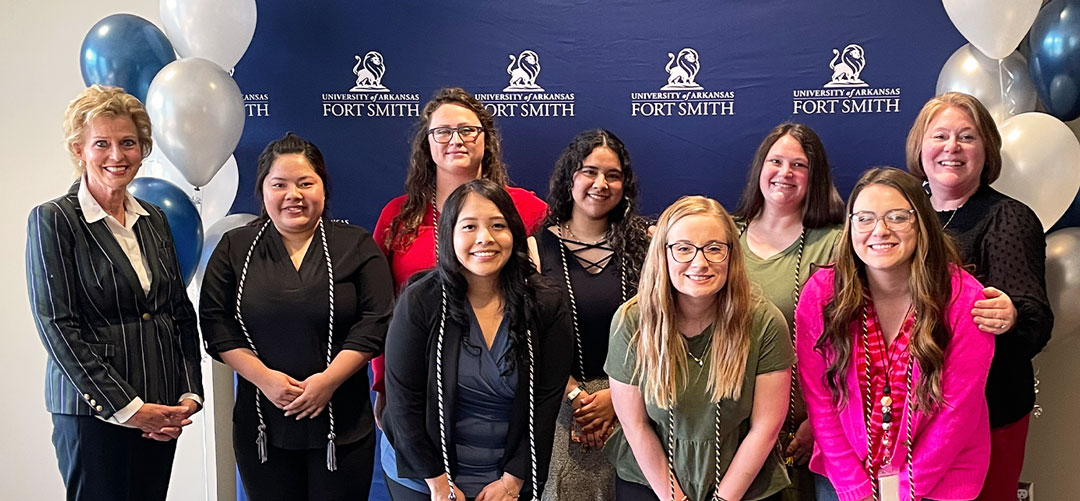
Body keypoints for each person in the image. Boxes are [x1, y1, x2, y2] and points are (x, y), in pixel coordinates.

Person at [26, 84, 203, 500]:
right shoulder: (54, 219)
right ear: (79, 150)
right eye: (101, 143)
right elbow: (57, 326)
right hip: (93, 413)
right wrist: (128, 410)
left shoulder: (154, 218)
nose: (116, 156)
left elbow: (177, 310)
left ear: (143, 148)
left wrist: (189, 392)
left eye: (128, 143)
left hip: (160, 408)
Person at [199, 133, 394, 500]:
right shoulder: (235, 247)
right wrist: (266, 380)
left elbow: (376, 320)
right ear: (263, 190)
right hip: (261, 425)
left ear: (323, 187)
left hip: (343, 424)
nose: (294, 195)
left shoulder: (356, 244)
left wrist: (328, 381)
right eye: (280, 184)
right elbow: (216, 324)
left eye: (306, 183)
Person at [796, 167, 995, 500]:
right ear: (850, 227)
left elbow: (956, 414)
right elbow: (821, 402)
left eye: (897, 217)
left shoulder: (965, 299)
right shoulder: (821, 295)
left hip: (942, 477)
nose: (880, 230)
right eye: (864, 218)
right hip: (845, 475)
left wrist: (902, 493)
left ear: (921, 224)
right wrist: (855, 488)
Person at [381, 179, 572, 500]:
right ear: (449, 236)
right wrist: (438, 484)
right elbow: (403, 402)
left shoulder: (545, 303)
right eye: (469, 226)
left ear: (514, 232)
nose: (485, 238)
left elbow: (545, 403)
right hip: (425, 477)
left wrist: (513, 481)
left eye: (498, 225)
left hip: (508, 478)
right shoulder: (420, 301)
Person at [905, 92, 1053, 501]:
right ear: (920, 146)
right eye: (940, 136)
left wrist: (1012, 316)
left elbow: (1036, 321)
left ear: (986, 151)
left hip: (988, 415)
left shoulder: (1009, 217)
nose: (952, 148)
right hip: (908, 413)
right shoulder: (902, 215)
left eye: (967, 138)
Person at [371, 87, 548, 420]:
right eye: (443, 132)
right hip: (416, 383)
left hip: (503, 388)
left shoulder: (526, 208)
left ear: (485, 139)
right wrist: (383, 382)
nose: (457, 139)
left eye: (468, 130)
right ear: (427, 143)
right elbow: (380, 307)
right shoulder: (398, 216)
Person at [606, 195, 794, 501]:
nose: (700, 262)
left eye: (714, 249)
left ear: (732, 255)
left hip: (744, 481)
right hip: (652, 481)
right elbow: (635, 425)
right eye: (683, 249)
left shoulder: (765, 322)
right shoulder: (632, 321)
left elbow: (766, 428)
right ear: (663, 254)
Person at [528, 129, 650, 500]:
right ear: (570, 178)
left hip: (639, 402)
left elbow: (664, 332)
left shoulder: (649, 246)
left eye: (613, 175)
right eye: (589, 171)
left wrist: (616, 398)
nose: (601, 183)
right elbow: (530, 341)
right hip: (565, 409)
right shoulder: (534, 249)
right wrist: (579, 399)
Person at [732, 123, 846, 500]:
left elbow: (850, 344)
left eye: (799, 165)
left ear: (815, 178)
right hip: (730, 431)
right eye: (776, 161)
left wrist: (818, 421)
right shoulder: (724, 239)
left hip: (804, 435)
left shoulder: (836, 245)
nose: (785, 173)